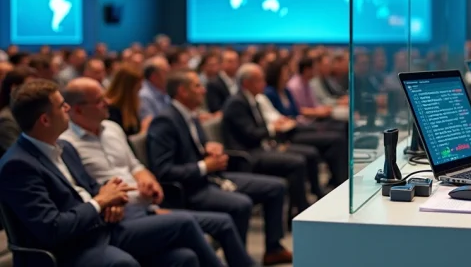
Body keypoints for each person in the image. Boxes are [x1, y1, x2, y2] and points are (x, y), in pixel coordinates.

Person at [0, 79, 224, 267]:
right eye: (61, 106)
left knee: (184, 258)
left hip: (103, 228)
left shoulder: (63, 148)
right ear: (45, 120)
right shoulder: (18, 165)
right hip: (70, 248)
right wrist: (100, 203)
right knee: (166, 234)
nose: (67, 108)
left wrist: (111, 200)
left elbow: (91, 189)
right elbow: (52, 228)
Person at [60, 77, 255, 267]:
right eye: (100, 100)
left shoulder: (112, 128)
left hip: (147, 208)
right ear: (78, 108)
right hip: (119, 219)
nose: (108, 102)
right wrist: (108, 201)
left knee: (185, 257)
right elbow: (81, 190)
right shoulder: (67, 144)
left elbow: (135, 165)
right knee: (185, 222)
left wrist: (148, 180)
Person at [146, 69, 293, 266]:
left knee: (276, 187)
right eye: (197, 86)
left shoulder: (190, 115)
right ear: (182, 91)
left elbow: (192, 149)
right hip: (190, 189)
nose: (203, 91)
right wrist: (204, 166)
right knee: (241, 204)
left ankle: (273, 249)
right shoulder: (165, 121)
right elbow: (163, 170)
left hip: (211, 178)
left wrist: (208, 149)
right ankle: (238, 260)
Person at [222, 63, 320, 212]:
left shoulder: (253, 99)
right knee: (297, 162)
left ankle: (299, 206)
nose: (264, 84)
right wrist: (272, 128)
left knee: (306, 154)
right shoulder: (237, 103)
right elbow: (250, 134)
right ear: (247, 83)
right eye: (260, 80)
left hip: (262, 146)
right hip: (248, 154)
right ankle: (300, 208)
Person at [106, 64, 152, 136]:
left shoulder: (131, 108)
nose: (139, 94)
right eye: (137, 90)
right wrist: (143, 132)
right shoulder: (111, 111)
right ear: (127, 90)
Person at [0, 66, 35, 157]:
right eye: (30, 86)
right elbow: (20, 155)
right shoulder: (6, 119)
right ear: (14, 88)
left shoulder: (32, 112)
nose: (36, 92)